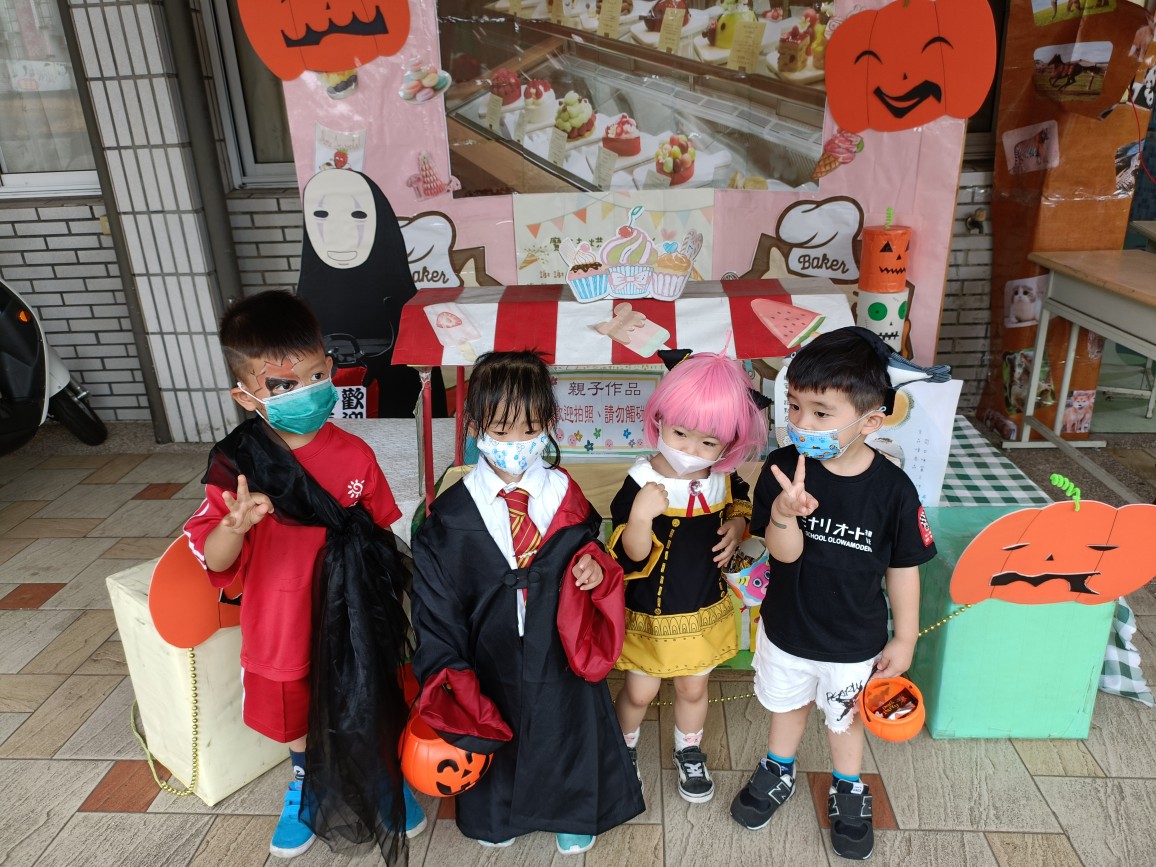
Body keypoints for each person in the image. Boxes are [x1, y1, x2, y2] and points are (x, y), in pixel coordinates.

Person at [183, 290, 424, 861]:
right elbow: (216, 558)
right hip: (281, 620)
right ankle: (304, 780)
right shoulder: (239, 466)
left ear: (331, 366)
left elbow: (382, 528)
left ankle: (383, 773)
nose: (308, 391)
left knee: (368, 690)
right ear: (246, 396)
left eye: (317, 375)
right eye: (282, 386)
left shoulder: (355, 453)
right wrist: (235, 527)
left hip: (355, 610)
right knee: (293, 705)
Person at [410, 350, 645, 855]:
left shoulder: (565, 494)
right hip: (490, 649)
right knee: (500, 725)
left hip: (557, 646)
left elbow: (591, 550)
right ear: (475, 426)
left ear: (548, 425)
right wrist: (448, 668)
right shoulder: (451, 516)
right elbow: (436, 602)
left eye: (530, 429)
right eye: (500, 429)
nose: (515, 444)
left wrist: (593, 568)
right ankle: (498, 814)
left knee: (565, 728)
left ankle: (572, 811)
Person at [730, 327, 937, 861]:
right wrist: (783, 513)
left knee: (845, 720)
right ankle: (778, 768)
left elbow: (904, 568)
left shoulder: (893, 490)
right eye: (794, 406)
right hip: (787, 629)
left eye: (821, 413)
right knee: (788, 707)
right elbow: (784, 554)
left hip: (855, 641)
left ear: (870, 421)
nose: (801, 423)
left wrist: (906, 638)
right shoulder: (782, 470)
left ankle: (848, 787)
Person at [608, 351, 768, 804]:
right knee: (639, 692)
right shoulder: (640, 480)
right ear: (659, 419)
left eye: (708, 442)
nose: (691, 450)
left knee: (694, 688)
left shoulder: (723, 477)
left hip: (703, 606)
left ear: (729, 444)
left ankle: (689, 749)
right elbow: (630, 553)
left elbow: (740, 502)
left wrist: (737, 524)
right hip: (650, 612)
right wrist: (641, 517)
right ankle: (621, 751)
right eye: (680, 433)